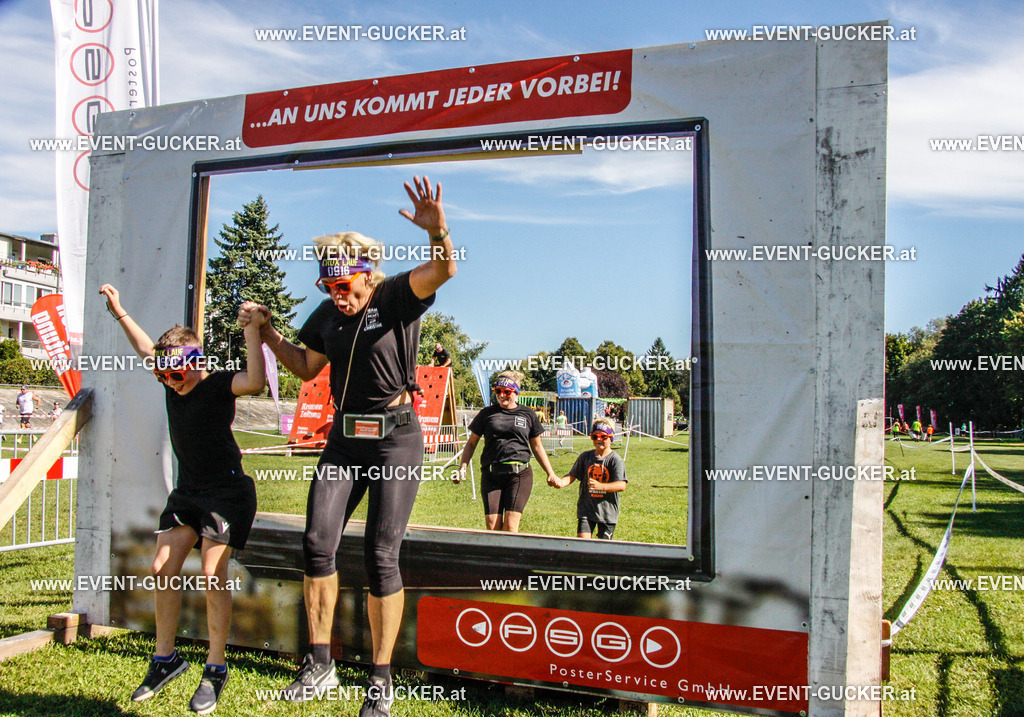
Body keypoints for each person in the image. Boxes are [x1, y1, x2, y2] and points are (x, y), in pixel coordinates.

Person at [240, 176, 456, 716]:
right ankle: (319, 664)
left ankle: (380, 680)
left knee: (382, 553)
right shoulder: (327, 315)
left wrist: (438, 231)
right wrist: (268, 334)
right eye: (328, 287)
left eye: (345, 286)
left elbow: (445, 270)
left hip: (396, 439)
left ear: (366, 275)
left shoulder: (397, 294)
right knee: (316, 542)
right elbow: (307, 366)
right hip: (344, 437)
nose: (338, 296)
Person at [100, 283, 267, 714]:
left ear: (197, 363)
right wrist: (120, 312)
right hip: (189, 492)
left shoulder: (216, 386)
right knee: (161, 567)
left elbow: (255, 380)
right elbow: (144, 349)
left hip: (228, 492)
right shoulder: (170, 377)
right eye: (163, 376)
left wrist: (252, 332)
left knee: (213, 573)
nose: (169, 383)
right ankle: (166, 659)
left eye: (176, 374)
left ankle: (215, 668)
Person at [457, 371, 560, 533]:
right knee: (492, 526)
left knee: (511, 527)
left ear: (516, 392)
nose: (502, 395)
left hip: (519, 475)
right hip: (491, 475)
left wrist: (551, 473)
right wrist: (463, 467)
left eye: (507, 392)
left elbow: (537, 446)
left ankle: (510, 558)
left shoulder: (527, 414)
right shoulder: (486, 414)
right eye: (498, 391)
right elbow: (471, 443)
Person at [549, 418, 627, 539]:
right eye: (595, 437)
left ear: (611, 438)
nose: (599, 440)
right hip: (586, 510)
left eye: (603, 437)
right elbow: (572, 475)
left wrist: (601, 486)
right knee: (582, 544)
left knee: (602, 549)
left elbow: (622, 485)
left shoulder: (615, 460)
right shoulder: (585, 457)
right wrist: (561, 482)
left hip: (607, 513)